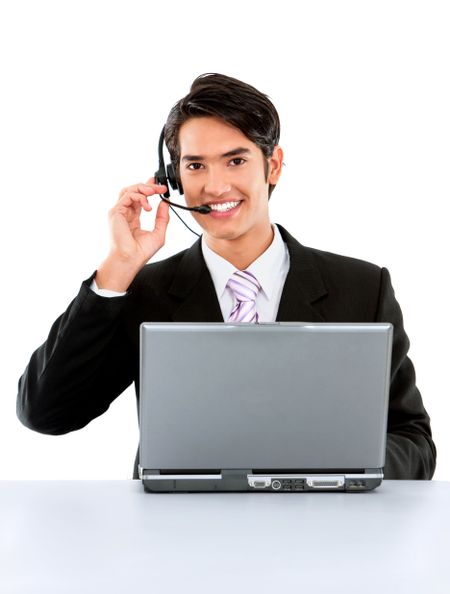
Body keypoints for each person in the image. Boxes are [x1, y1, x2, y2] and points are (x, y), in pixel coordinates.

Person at [17, 73, 436, 480]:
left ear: (272, 166)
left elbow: (414, 443)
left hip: (318, 531)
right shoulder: (143, 293)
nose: (215, 186)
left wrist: (334, 463)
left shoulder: (362, 288)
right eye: (195, 165)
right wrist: (116, 270)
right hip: (177, 535)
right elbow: (47, 414)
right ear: (174, 179)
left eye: (235, 160)